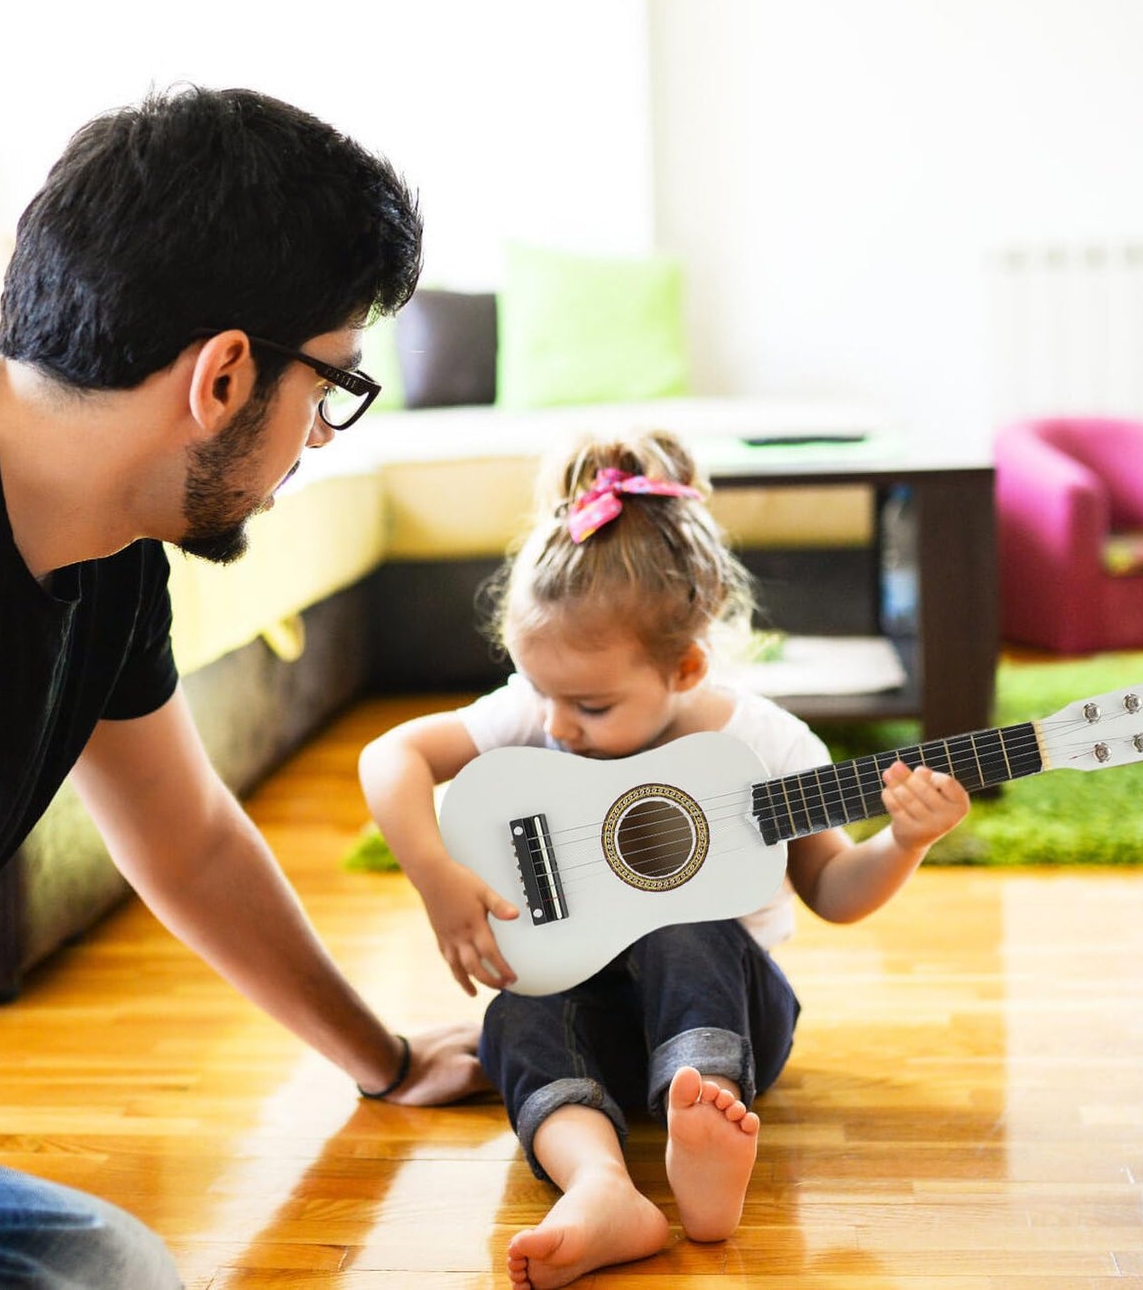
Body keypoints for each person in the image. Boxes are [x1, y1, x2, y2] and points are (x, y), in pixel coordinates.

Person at [0, 85, 486, 1290]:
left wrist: (387, 1060)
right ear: (224, 376)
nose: (323, 434)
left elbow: (185, 836)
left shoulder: (109, 553)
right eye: (334, 385)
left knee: (99, 1265)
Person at [358, 429, 972, 1288]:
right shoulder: (544, 706)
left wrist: (904, 839)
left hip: (726, 1016)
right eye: (545, 695)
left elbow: (833, 889)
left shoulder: (763, 741)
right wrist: (435, 876)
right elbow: (390, 757)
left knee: (682, 917)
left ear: (683, 666)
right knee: (519, 1010)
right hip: (596, 1023)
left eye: (591, 704)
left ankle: (702, 1123)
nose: (560, 724)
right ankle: (600, 1186)